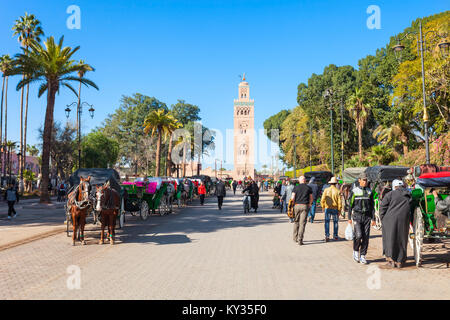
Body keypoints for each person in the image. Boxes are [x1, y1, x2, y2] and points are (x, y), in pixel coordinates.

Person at [379, 179, 412, 269]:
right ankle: (400, 261)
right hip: (403, 220)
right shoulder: (408, 194)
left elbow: (382, 208)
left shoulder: (389, 194)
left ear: (394, 187)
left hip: (389, 220)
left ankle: (391, 260)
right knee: (402, 239)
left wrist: (383, 219)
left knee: (390, 239)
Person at [348, 172, 375, 264]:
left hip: (367, 217)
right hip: (357, 216)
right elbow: (350, 206)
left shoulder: (369, 191)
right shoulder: (354, 191)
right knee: (358, 235)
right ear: (359, 180)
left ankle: (363, 255)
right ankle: (355, 251)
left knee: (366, 237)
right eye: (363, 180)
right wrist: (349, 218)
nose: (365, 182)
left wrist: (373, 218)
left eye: (366, 180)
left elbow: (372, 206)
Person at [290, 176, 313, 246]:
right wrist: (309, 204)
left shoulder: (296, 187)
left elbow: (292, 197)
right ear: (305, 180)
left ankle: (295, 237)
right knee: (302, 223)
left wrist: (292, 205)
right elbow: (311, 198)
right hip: (304, 206)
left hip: (296, 206)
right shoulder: (308, 188)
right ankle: (300, 240)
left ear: (299, 181)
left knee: (296, 221)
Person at [321, 177, 342, 242]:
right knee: (335, 222)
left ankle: (327, 235)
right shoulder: (338, 191)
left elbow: (322, 200)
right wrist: (339, 210)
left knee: (327, 222)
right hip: (335, 208)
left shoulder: (326, 190)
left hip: (327, 208)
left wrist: (323, 207)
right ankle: (335, 235)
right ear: (336, 183)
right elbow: (340, 202)